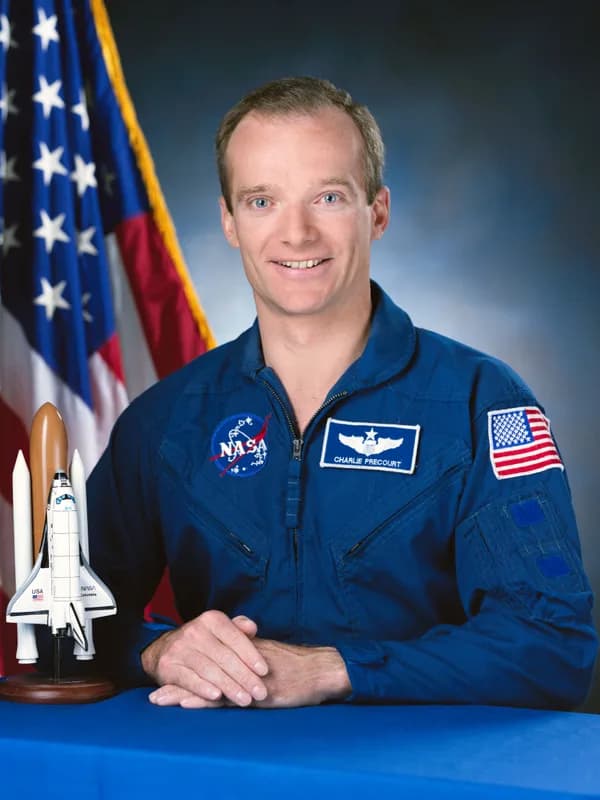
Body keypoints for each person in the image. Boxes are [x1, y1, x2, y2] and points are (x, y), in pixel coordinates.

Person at [86, 76, 597, 710]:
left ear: (376, 212)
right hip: (220, 758)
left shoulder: (480, 403)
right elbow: (65, 626)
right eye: (262, 201)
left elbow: (552, 646)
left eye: (328, 197)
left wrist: (337, 669)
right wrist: (157, 650)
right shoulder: (167, 420)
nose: (296, 233)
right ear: (229, 222)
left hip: (419, 761)